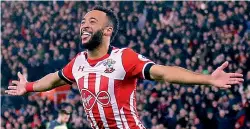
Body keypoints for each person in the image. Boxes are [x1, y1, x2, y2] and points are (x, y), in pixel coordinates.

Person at [5, 6, 244, 129]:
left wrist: (207, 79)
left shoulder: (124, 58)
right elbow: (55, 79)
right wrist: (28, 86)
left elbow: (164, 72)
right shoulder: (77, 62)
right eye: (82, 22)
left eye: (92, 21)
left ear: (108, 31)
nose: (84, 26)